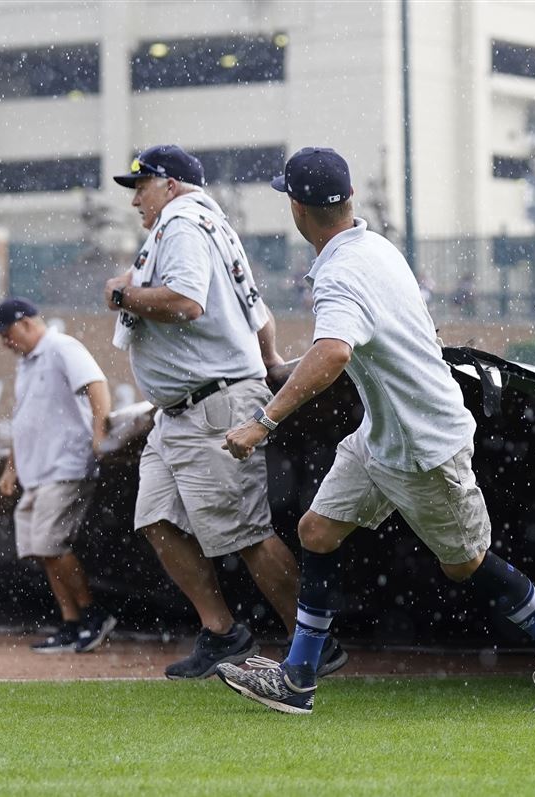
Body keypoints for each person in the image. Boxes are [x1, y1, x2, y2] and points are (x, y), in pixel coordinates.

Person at [217, 147, 535, 714]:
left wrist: (263, 421)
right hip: (384, 436)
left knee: (466, 563)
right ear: (348, 201)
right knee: (317, 531)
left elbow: (333, 352)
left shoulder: (340, 274)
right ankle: (298, 678)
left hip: (426, 446)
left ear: (297, 211)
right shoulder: (374, 247)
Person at [105, 144, 345, 679]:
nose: (136, 199)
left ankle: (314, 644)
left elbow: (188, 302)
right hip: (183, 410)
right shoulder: (211, 225)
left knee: (246, 533)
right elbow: (257, 312)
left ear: (169, 185)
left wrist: (123, 295)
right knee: (157, 519)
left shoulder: (183, 222)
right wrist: (268, 360)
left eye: (141, 186)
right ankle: (223, 633)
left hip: (211, 403)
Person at [0, 298, 117, 653]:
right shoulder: (27, 363)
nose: (4, 341)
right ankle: (71, 622)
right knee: (40, 549)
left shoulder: (62, 346)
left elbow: (96, 385)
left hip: (65, 464)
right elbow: (24, 417)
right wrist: (12, 468)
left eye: (6, 332)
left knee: (50, 543)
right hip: (36, 469)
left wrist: (99, 433)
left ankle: (94, 615)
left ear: (26, 323)